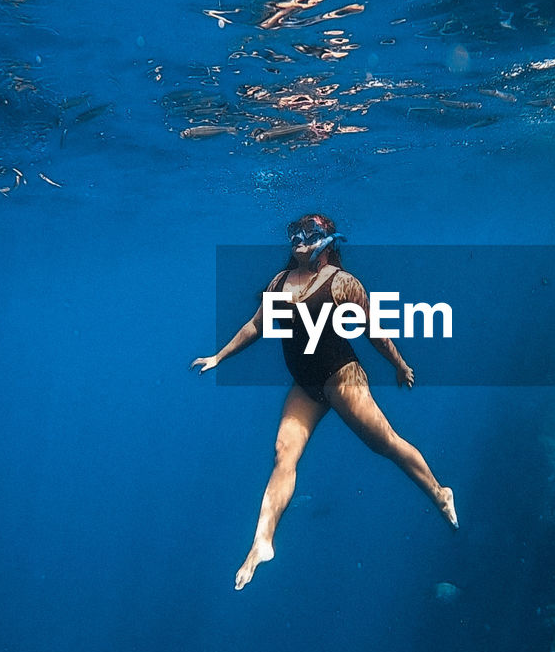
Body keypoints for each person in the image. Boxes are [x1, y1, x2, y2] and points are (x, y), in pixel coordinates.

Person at [191, 214, 458, 590]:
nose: (300, 238)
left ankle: (438, 491)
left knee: (387, 445)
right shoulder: (279, 283)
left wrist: (400, 364)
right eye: (294, 232)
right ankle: (262, 542)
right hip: (305, 385)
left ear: (328, 240)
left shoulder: (343, 283)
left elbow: (375, 331)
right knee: (284, 452)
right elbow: (256, 325)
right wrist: (219, 357)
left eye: (310, 232)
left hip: (341, 376)